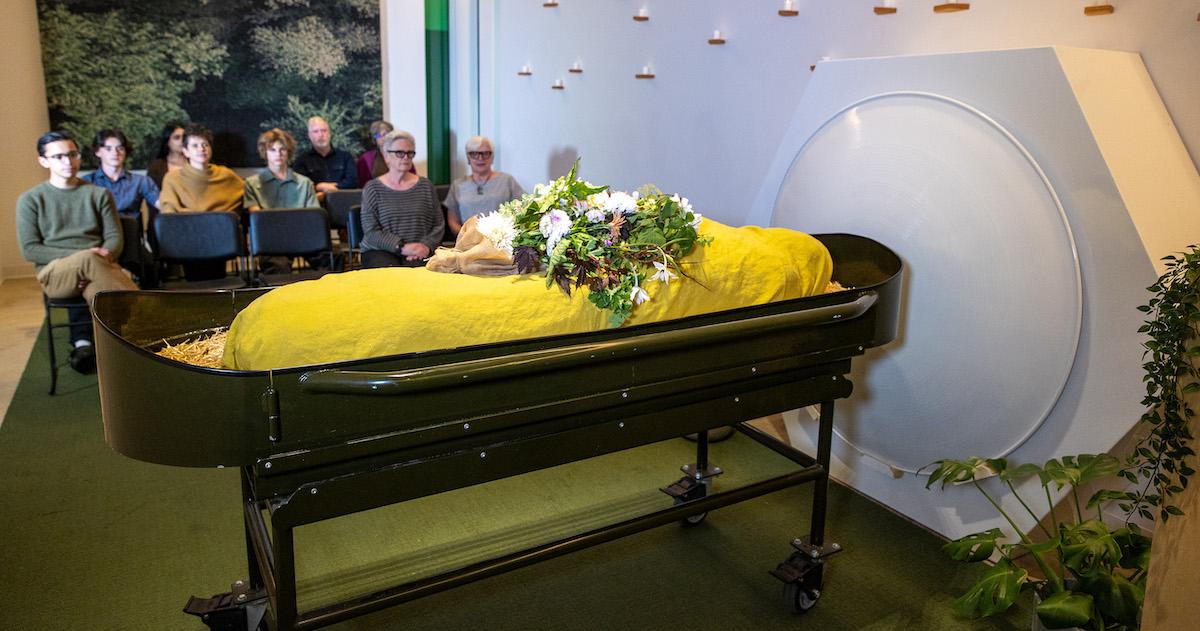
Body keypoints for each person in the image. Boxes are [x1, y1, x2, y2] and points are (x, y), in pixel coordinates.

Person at [16, 130, 137, 373]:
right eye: (59, 156)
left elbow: (114, 239)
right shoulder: (30, 199)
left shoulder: (98, 194)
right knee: (95, 262)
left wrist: (93, 259)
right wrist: (85, 256)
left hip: (96, 268)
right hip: (55, 274)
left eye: (72, 154)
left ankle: (93, 347)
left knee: (98, 286)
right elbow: (30, 250)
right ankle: (141, 331)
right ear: (43, 161)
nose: (68, 161)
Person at [159, 123, 244, 280]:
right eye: (195, 145)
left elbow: (240, 203)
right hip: (188, 241)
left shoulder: (227, 176)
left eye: (205, 144)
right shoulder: (173, 179)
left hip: (220, 239)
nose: (201, 149)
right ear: (185, 151)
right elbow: (169, 211)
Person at [81, 129, 161, 287]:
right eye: (108, 148)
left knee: (152, 267)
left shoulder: (140, 181)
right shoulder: (86, 182)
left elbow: (162, 205)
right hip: (100, 240)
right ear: (98, 151)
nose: (115, 153)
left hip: (132, 241)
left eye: (120, 148)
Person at [359, 130, 444, 268]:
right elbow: (371, 231)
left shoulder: (426, 186)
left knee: (422, 279)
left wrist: (426, 246)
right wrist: (402, 247)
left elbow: (438, 225)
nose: (406, 157)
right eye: (400, 153)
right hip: (380, 250)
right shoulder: (372, 188)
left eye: (410, 153)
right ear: (387, 156)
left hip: (420, 250)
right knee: (388, 277)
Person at [244, 128, 321, 274]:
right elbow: (258, 220)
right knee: (277, 266)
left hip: (303, 237)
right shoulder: (252, 184)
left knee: (333, 257)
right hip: (273, 242)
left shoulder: (304, 183)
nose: (278, 154)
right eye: (272, 150)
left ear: (288, 152)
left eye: (282, 149)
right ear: (265, 153)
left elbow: (313, 219)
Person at [442, 136, 524, 236]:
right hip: (467, 243)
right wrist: (466, 237)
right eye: (474, 154)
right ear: (468, 158)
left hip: (501, 242)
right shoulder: (457, 185)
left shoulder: (507, 181)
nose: (480, 158)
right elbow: (452, 222)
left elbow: (522, 211)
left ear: (492, 157)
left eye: (485, 153)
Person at [293, 116, 357, 198]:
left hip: (344, 203)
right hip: (315, 206)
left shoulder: (345, 157)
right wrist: (318, 187)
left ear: (330, 133)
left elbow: (353, 182)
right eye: (315, 131)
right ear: (309, 135)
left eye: (324, 130)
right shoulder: (301, 161)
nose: (321, 135)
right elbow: (302, 187)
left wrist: (322, 186)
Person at [146, 123, 187, 190]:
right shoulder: (156, 167)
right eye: (177, 137)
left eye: (184, 137)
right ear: (167, 142)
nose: (182, 141)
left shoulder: (196, 162)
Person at [356, 120, 394, 187]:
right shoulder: (365, 159)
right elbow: (361, 185)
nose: (382, 137)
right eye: (378, 135)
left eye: (385, 134)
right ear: (375, 139)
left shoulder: (402, 154)